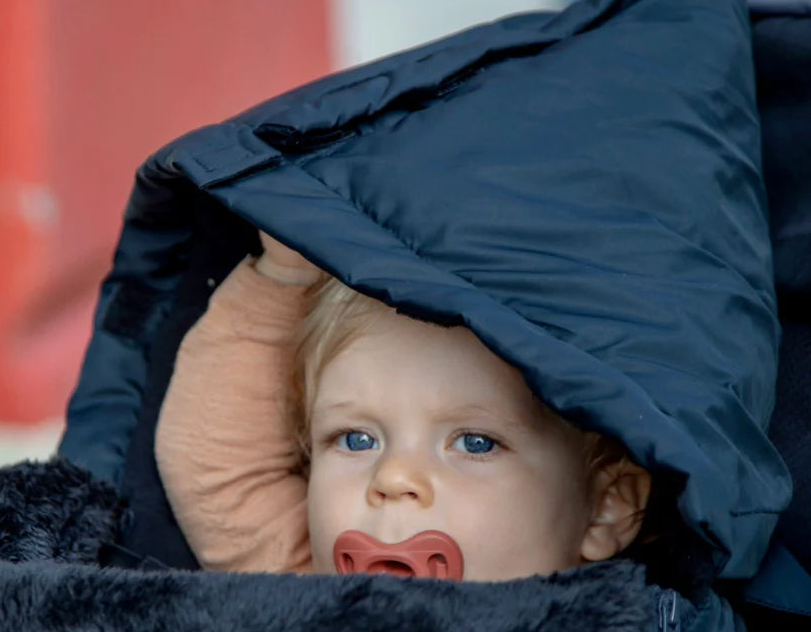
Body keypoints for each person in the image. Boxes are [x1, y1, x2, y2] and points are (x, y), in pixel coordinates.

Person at [155, 231, 652, 584]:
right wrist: (287, 274)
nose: (393, 479)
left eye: (474, 443)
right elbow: (218, 469)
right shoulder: (310, 596)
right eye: (356, 439)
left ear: (605, 509)